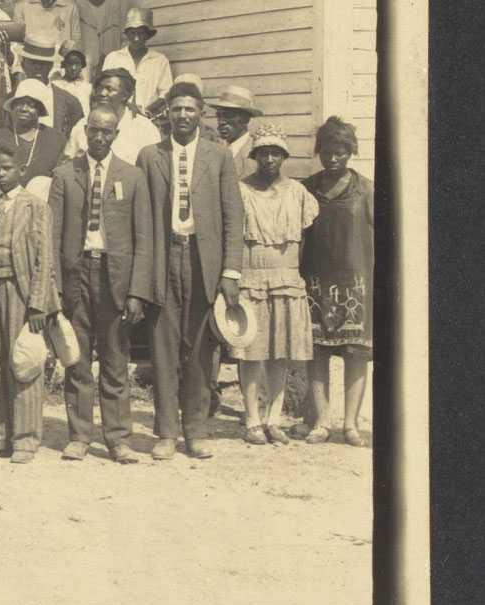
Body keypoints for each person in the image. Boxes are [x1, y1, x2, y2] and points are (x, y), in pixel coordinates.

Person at [128, 81, 246, 461]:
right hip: (165, 258)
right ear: (167, 114)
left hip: (203, 261)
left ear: (200, 114)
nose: (182, 116)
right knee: (162, 348)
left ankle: (195, 430)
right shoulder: (150, 156)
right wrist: (141, 279)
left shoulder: (219, 155)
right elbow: (141, 222)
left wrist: (230, 272)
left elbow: (233, 217)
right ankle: (165, 432)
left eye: (190, 110)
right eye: (176, 109)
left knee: (200, 349)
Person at [48, 100, 145, 463]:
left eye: (107, 130)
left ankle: (118, 439)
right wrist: (54, 286)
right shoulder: (64, 175)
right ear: (84, 131)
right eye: (94, 129)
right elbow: (53, 233)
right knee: (76, 358)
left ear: (116, 134)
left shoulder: (131, 176)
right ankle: (79, 436)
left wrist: (137, 291)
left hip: (115, 276)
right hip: (77, 274)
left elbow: (143, 237)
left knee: (115, 359)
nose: (100, 136)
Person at [0, 153, 60, 462]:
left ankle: (25, 438)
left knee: (23, 363)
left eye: (7, 168)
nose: (1, 174)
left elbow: (44, 259)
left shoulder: (36, 207)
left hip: (21, 292)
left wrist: (37, 304)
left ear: (22, 169)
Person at [234, 126, 318, 447]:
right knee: (252, 351)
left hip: (286, 276)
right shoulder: (241, 190)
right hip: (252, 275)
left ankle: (274, 418)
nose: (270, 159)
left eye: (276, 152)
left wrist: (297, 274)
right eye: (264, 152)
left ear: (284, 156)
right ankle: (251, 419)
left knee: (281, 350)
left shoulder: (297, 193)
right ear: (255, 156)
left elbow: (306, 241)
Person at [301, 116, 373, 446]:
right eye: (327, 152)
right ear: (320, 152)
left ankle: (351, 425)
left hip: (357, 282)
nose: (333, 159)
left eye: (340, 152)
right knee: (317, 351)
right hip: (315, 281)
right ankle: (322, 421)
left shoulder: (367, 190)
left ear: (350, 152)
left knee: (356, 352)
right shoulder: (306, 188)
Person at [0, 77, 67, 193]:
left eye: (31, 105)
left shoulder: (55, 140)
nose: (24, 108)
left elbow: (60, 185)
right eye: (20, 103)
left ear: (40, 110)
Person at [68, 68, 159, 165]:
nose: (102, 93)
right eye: (99, 88)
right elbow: (69, 164)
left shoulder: (145, 128)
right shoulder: (82, 125)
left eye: (109, 89)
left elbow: (153, 168)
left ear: (126, 95)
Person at [102, 7, 174, 124]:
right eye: (132, 33)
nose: (136, 38)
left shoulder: (159, 60)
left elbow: (166, 93)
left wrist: (146, 111)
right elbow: (104, 89)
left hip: (148, 120)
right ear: (127, 34)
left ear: (148, 35)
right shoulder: (113, 58)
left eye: (141, 33)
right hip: (117, 119)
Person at [207, 84, 263, 173]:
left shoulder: (258, 152)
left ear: (245, 119)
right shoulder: (214, 149)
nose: (221, 121)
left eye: (228, 116)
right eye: (219, 116)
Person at [57, 47, 92, 119]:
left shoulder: (88, 88)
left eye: (77, 64)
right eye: (70, 64)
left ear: (82, 66)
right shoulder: (56, 85)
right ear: (64, 65)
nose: (73, 68)